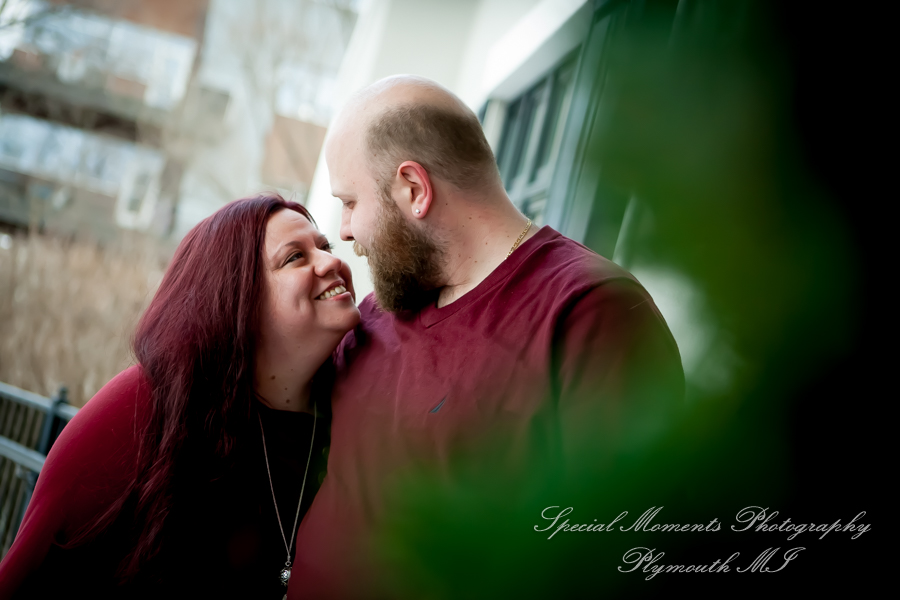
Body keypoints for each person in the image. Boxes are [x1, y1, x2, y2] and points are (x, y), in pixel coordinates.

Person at [287, 76, 685, 599]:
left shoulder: (593, 314)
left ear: (414, 189)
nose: (344, 230)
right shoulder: (381, 305)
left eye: (350, 202)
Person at [0, 195, 359, 599]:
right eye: (295, 257)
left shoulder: (352, 415)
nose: (332, 262)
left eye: (324, 246)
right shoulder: (144, 406)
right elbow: (26, 575)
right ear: (236, 297)